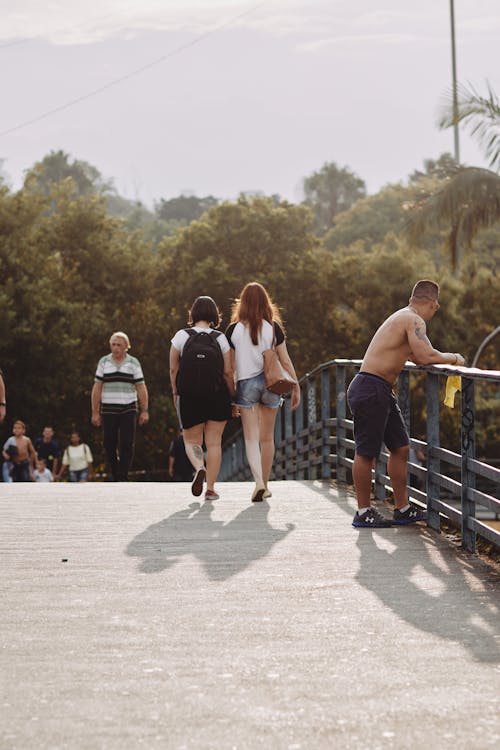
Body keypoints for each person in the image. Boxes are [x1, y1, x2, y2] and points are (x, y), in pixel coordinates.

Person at [347, 279, 466, 528]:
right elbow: (424, 356)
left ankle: (402, 508)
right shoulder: (413, 320)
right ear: (433, 304)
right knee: (366, 453)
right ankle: (363, 511)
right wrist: (455, 358)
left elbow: (414, 353)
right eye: (436, 308)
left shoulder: (403, 317)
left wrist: (438, 357)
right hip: (371, 388)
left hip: (378, 389)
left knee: (401, 447)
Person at [226, 282, 300, 502]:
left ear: (243, 303)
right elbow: (285, 360)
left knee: (251, 438)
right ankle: (265, 484)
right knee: (267, 438)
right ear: (266, 302)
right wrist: (296, 386)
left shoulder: (233, 329)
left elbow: (230, 368)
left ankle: (258, 482)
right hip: (271, 384)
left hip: (246, 385)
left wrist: (232, 398)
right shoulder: (273, 327)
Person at [169, 296, 234, 501]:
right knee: (214, 443)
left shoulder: (181, 336)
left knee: (191, 441)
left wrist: (175, 392)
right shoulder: (220, 338)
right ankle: (211, 489)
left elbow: (173, 368)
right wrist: (233, 396)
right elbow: (228, 372)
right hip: (217, 396)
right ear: (214, 314)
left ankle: (199, 467)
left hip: (189, 396)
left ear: (193, 313)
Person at [91, 331, 149, 481]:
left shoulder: (133, 363)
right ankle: (116, 473)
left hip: (128, 407)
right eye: (113, 344)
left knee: (127, 443)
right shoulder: (104, 362)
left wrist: (145, 410)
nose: (116, 347)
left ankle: (122, 476)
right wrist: (95, 412)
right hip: (108, 409)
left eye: (119, 345)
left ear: (126, 347)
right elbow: (97, 388)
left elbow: (141, 387)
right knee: (109, 443)